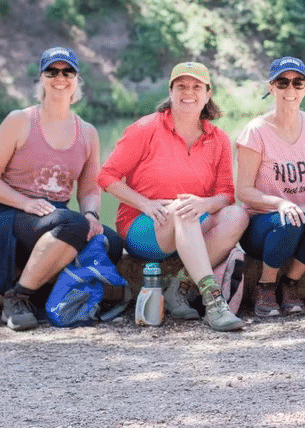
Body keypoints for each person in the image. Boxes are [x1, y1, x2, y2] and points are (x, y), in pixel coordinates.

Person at [0, 47, 122, 331]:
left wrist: (92, 215)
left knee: (111, 242)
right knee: (72, 223)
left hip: (55, 221)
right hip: (10, 215)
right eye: (51, 72)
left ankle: (55, 296)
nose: (60, 77)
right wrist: (25, 202)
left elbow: (90, 188)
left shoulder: (88, 132)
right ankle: (17, 298)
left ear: (77, 79)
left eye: (67, 72)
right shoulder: (20, 120)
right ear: (41, 79)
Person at [99, 61, 249, 331]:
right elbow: (106, 177)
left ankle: (179, 286)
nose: (188, 92)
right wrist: (145, 204)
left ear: (207, 94)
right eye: (181, 86)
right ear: (170, 91)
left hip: (191, 222)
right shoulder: (146, 129)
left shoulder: (219, 139)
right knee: (183, 210)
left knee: (237, 215)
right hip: (145, 226)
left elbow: (227, 195)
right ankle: (214, 301)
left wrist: (204, 203)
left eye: (196, 86)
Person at [236, 57, 305, 318]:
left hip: (302, 220)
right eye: (282, 82)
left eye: (297, 82)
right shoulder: (255, 131)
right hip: (263, 227)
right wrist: (280, 203)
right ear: (271, 87)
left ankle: (290, 284)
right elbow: (243, 191)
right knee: (289, 220)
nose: (290, 89)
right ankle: (266, 286)